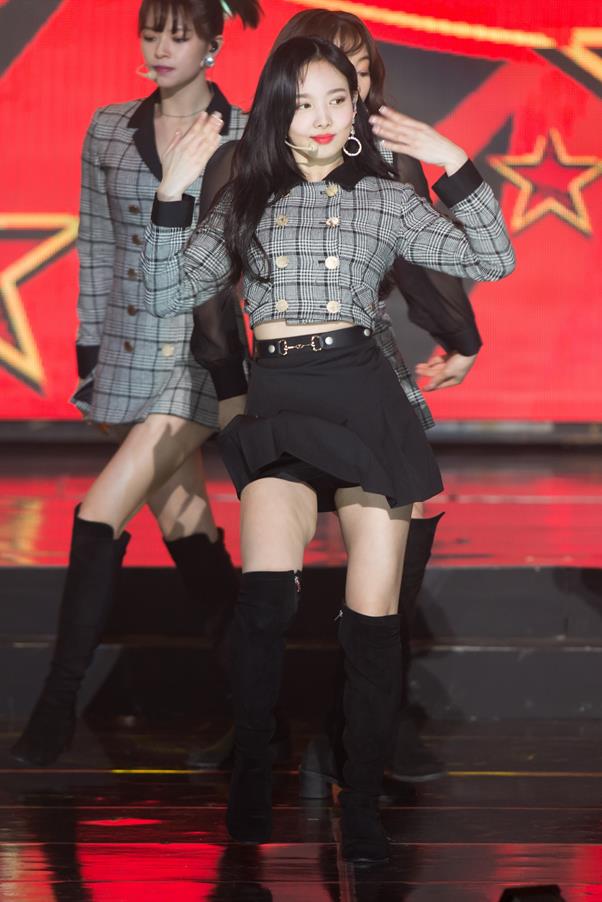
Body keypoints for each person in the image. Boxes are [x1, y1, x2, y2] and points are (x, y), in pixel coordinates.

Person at [142, 37, 514, 863]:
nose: (321, 118)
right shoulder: (246, 196)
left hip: (363, 399)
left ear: (355, 109)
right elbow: (169, 292)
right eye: (304, 102)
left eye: (337, 100)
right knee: (263, 608)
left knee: (372, 626)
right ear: (278, 109)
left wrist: (455, 161)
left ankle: (363, 804)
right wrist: (171, 191)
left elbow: (493, 258)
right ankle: (251, 783)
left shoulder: (383, 197)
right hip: (278, 400)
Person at [10, 0, 261, 768]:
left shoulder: (245, 132)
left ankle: (56, 707)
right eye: (151, 34)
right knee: (187, 525)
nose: (160, 48)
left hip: (198, 359)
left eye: (177, 36)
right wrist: (90, 360)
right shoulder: (108, 128)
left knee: (98, 513)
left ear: (213, 43)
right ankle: (260, 713)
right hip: (124, 356)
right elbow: (97, 246)